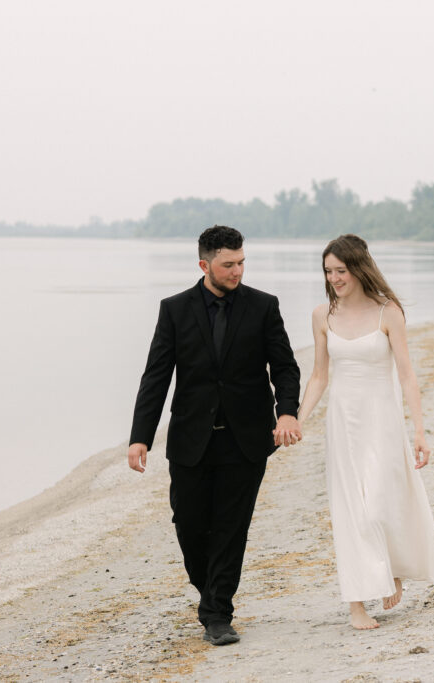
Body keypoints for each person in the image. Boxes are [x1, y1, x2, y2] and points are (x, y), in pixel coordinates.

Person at [127, 225, 302, 646]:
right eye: (228, 265)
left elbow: (284, 367)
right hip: (191, 439)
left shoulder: (263, 306)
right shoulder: (175, 309)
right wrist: (140, 437)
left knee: (230, 527)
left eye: (241, 262)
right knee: (189, 524)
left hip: (246, 440)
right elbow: (156, 376)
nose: (237, 271)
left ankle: (218, 614)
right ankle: (210, 593)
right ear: (204, 265)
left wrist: (287, 412)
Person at [297, 234, 434, 630]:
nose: (334, 279)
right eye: (328, 272)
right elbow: (319, 376)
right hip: (343, 424)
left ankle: (390, 568)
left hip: (382, 420)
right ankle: (357, 606)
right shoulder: (322, 316)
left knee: (380, 503)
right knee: (351, 511)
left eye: (340, 271)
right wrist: (298, 419)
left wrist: (419, 431)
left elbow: (407, 375)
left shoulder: (388, 313)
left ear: (359, 269)